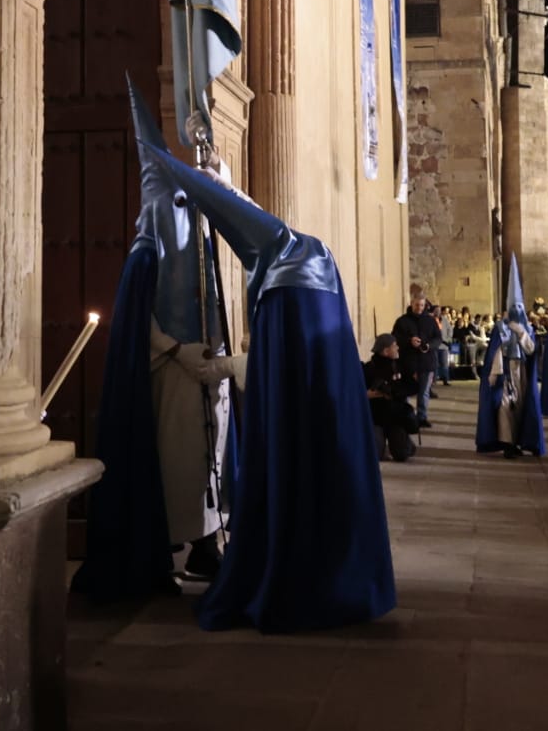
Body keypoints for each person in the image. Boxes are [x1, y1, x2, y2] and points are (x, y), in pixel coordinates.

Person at [141, 143, 396, 633]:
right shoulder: (312, 255)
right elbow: (258, 225)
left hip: (261, 411)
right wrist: (223, 179)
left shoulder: (282, 283)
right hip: (330, 424)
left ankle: (272, 571)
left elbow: (274, 366)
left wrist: (221, 368)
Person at [73, 77, 242, 601]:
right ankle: (162, 552)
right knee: (175, 465)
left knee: (210, 458)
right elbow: (136, 325)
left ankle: (208, 544)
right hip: (169, 373)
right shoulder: (146, 255)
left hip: (207, 370)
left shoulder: (201, 242)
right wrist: (176, 351)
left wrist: (223, 183)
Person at [474, 255, 546, 458]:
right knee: (505, 408)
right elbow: (496, 351)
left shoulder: (527, 329)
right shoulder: (499, 328)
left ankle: (520, 441)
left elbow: (531, 350)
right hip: (505, 373)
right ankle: (507, 444)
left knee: (521, 407)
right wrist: (494, 373)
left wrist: (522, 333)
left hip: (521, 371)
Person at [365, 333, 419, 462]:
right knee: (375, 456)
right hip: (376, 418)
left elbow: (414, 386)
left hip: (395, 417)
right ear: (385, 351)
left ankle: (406, 444)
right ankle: (379, 442)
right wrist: (368, 394)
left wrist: (394, 392)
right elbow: (358, 391)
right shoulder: (369, 368)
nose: (398, 348)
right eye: (394, 346)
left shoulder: (399, 366)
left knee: (402, 455)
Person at [394, 293, 441, 429]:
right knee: (406, 391)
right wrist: (409, 341)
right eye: (416, 305)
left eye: (422, 305)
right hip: (408, 362)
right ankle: (406, 416)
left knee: (424, 391)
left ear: (425, 305)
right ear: (412, 304)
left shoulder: (430, 321)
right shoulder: (402, 321)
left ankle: (422, 417)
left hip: (426, 362)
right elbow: (395, 337)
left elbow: (438, 338)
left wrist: (428, 346)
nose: (419, 308)